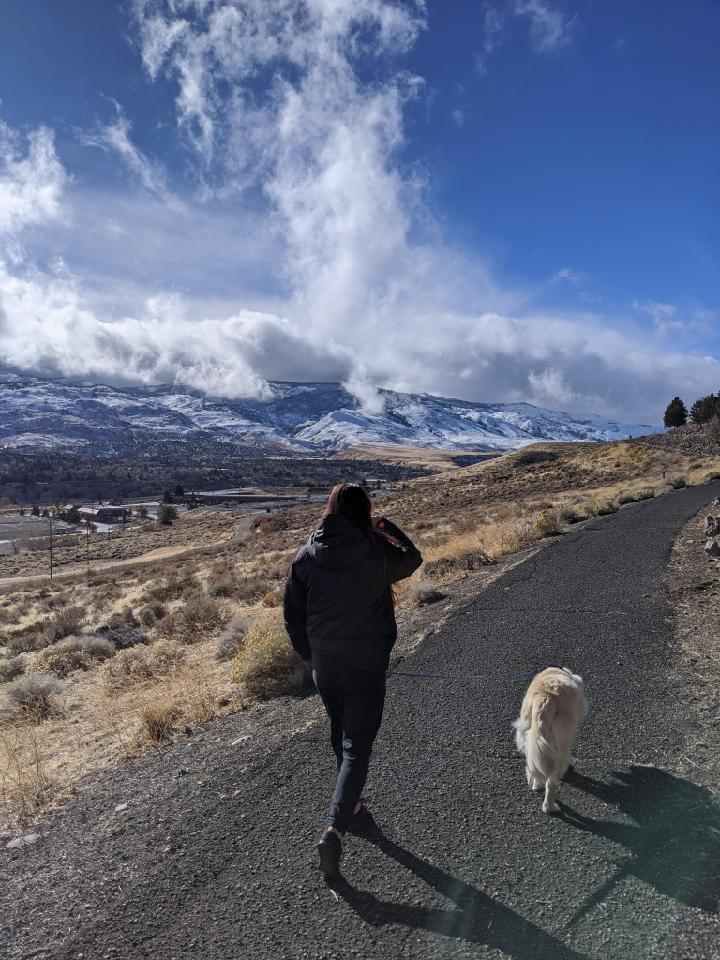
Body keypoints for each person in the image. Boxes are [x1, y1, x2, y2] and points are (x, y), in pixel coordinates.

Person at [283, 482, 422, 877]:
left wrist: (310, 656)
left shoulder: (307, 554)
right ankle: (336, 828)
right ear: (363, 513)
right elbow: (412, 560)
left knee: (340, 728)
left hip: (325, 664)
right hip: (366, 662)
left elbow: (291, 614)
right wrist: (387, 527)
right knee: (357, 745)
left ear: (330, 510)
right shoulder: (375, 551)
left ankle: (353, 805)